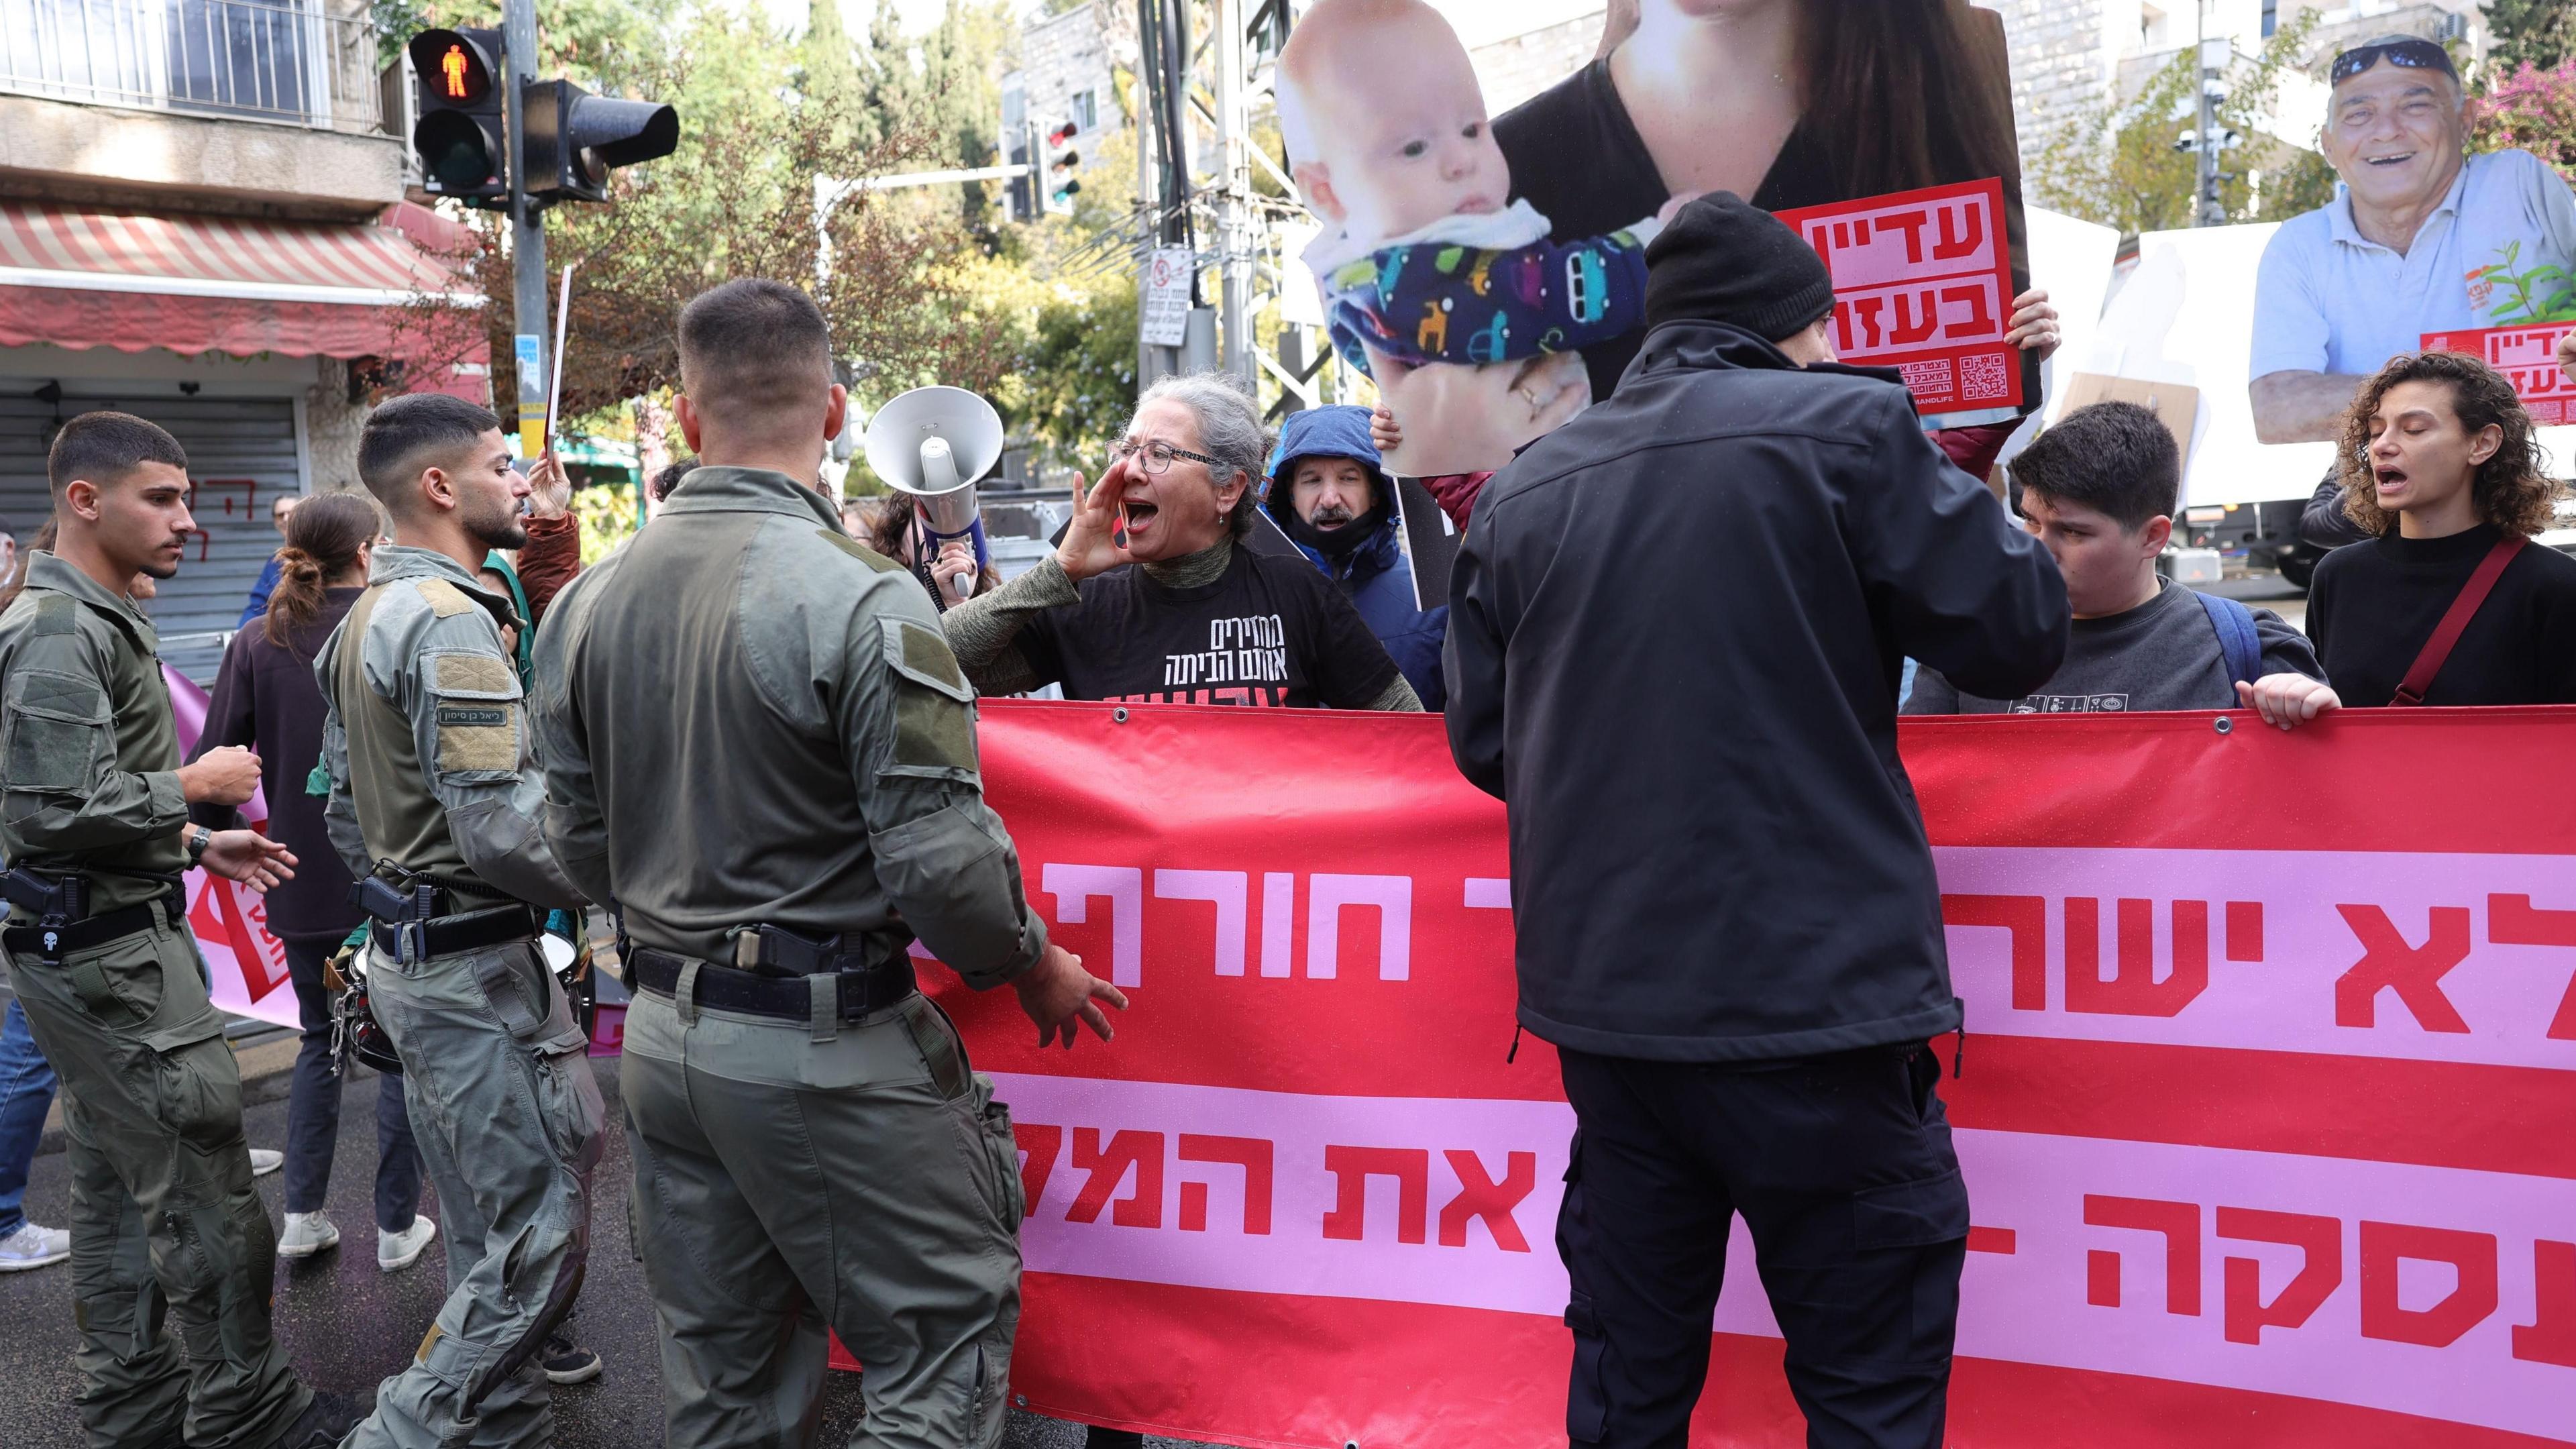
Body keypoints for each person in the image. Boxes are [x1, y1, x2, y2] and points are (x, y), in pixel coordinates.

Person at [1446, 194, 2067, 1448]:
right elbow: (2017, 634)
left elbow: (1493, 745)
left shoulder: (1527, 488)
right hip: (1820, 1014)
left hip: (1614, 1022)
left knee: (1630, 1393)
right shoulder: (1847, 425)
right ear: (1808, 328)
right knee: (1870, 1394)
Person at [529, 276, 1127, 1449]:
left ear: (689, 422)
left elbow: (574, 843)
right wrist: (1031, 963)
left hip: (660, 1032)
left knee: (720, 1379)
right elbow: (942, 863)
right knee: (938, 1350)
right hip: (825, 1045)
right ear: (840, 411)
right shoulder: (864, 598)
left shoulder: (585, 604)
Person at [1, 411, 353, 1449]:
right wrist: (190, 788)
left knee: (115, 1188)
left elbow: (58, 806)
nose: (188, 522)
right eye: (162, 497)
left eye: (189, 497)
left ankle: (138, 1401)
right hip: (111, 966)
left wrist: (199, 847)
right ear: (83, 500)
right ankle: (249, 1414)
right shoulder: (61, 629)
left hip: (98, 941)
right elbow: (44, 813)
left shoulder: (90, 616)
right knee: (206, 1194)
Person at [1362, 0, 2055, 476]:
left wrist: (2005, 379)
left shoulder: (1926, 113)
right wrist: (1429, 447)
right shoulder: (1500, 178)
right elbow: (1511, 502)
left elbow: (1922, 486)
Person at [318, 392, 605, 1447]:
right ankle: (399, 1432)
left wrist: (397, 920)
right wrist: (629, 880)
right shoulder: (448, 623)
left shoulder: (367, 621)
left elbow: (346, 811)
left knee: (490, 1236)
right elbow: (501, 830)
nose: (521, 482)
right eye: (502, 465)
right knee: (536, 1244)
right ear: (439, 487)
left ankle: (502, 1428)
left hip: (423, 958)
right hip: (471, 970)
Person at [191, 491, 439, 1272]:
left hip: (295, 876)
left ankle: (301, 1217)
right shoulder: (398, 625)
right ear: (369, 551)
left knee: (317, 1045)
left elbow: (209, 774)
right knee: (401, 1051)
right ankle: (398, 1229)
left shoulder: (258, 641)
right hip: (398, 875)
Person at [943, 373, 1421, 710]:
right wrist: (1059, 571)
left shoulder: (1296, 593)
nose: (1128, 469)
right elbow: (925, 663)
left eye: (1159, 454)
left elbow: (1404, 733)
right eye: (1127, 450)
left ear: (1228, 489)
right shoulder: (1084, 600)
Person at [1279, 0, 1674, 396]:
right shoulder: (1402, 286)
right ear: (1327, 194)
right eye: (1415, 147)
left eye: (1471, 130)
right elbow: (1545, 297)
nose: (1461, 160)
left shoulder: (1394, 257)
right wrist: (1654, 250)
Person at [1907, 400, 2332, 724]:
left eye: (2072, 532)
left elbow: (2317, 799)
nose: (2038, 548)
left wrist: (2306, 710)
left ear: (2153, 537)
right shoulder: (1968, 639)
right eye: (2030, 522)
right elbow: (1914, 783)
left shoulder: (2248, 645)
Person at [2251, 36, 2576, 444]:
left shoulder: (2518, 186)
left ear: (2465, 121)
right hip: (2374, 498)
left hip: (2537, 479)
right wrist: (2462, 395)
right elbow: (2278, 411)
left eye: (2415, 105)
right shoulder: (2299, 244)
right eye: (2359, 113)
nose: (2386, 131)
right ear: (2329, 146)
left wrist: (2383, 400)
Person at [2305, 350, 2576, 707]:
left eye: (2414, 429)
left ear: (2482, 444)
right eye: (2375, 431)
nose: (2382, 446)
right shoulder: (2337, 576)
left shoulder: (2552, 585)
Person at [1263, 404, 1448, 708]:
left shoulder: (1435, 595)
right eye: (1312, 480)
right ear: (1290, 494)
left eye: (1348, 478)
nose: (1330, 498)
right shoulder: (1258, 593)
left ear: (1376, 491)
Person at [868, 494, 1001, 609]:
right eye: (929, 520)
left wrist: (958, 604)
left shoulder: (996, 603)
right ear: (898, 547)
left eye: (958, 516)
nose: (946, 527)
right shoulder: (888, 609)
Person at [237, 492, 302, 628]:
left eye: (291, 512)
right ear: (275, 521)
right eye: (280, 515)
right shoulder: (274, 563)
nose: (285, 518)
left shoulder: (319, 552)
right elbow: (259, 604)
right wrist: (240, 633)